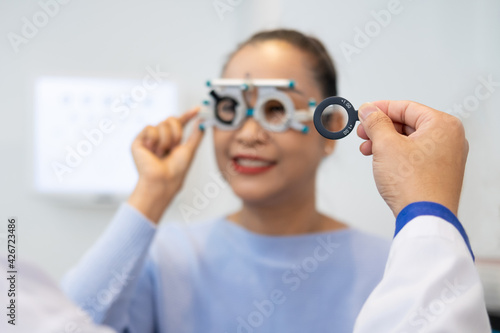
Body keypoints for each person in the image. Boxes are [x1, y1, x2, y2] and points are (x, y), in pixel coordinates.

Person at [60, 29, 490, 333]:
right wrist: (150, 195)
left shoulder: (396, 265)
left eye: (274, 109)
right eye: (230, 108)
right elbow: (61, 325)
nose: (248, 134)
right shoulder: (167, 259)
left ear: (331, 127)